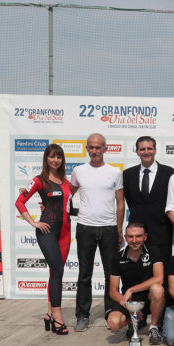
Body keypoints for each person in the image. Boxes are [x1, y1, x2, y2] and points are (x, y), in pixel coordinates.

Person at [15, 143, 73, 335]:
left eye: (59, 157)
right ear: (46, 159)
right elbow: (19, 202)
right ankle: (58, 316)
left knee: (56, 273)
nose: (55, 160)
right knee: (57, 270)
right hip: (47, 231)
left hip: (66, 232)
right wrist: (34, 222)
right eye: (52, 156)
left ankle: (49, 313)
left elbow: (68, 208)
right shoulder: (39, 180)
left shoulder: (66, 182)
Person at [70, 133, 125, 332]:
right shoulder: (78, 171)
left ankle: (111, 312)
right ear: (87, 148)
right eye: (91, 147)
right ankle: (82, 315)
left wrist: (119, 229)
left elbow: (120, 202)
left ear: (105, 149)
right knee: (85, 274)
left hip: (109, 229)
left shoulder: (115, 172)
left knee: (111, 275)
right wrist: (48, 205)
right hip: (85, 228)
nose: (94, 151)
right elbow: (66, 196)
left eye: (98, 147)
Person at [106, 222, 166, 344]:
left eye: (138, 236)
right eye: (130, 237)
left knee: (157, 288)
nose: (134, 240)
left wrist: (131, 289)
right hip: (130, 300)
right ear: (125, 237)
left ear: (145, 237)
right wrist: (128, 306)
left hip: (150, 298)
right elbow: (112, 291)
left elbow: (159, 278)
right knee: (113, 323)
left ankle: (153, 327)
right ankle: (135, 320)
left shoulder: (153, 251)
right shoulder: (117, 257)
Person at [123, 136, 174, 257]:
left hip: (162, 232)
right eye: (142, 149)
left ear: (155, 150)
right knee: (137, 266)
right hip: (136, 234)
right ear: (137, 151)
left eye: (149, 148)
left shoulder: (170, 173)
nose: (146, 152)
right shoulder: (127, 175)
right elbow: (130, 201)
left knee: (162, 266)